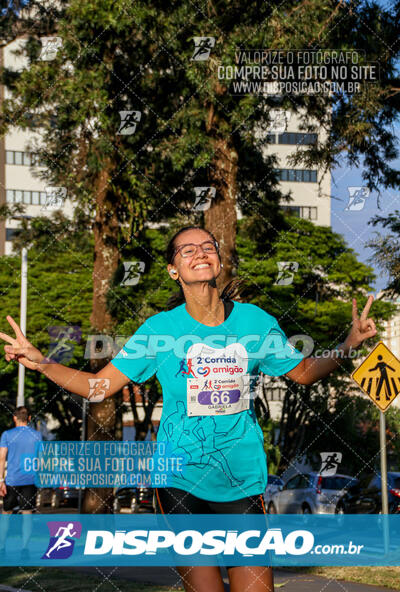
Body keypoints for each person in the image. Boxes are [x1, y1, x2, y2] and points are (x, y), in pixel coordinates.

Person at [0, 226, 377, 591]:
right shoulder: (158, 330)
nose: (201, 253)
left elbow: (306, 372)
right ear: (173, 270)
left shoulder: (255, 323)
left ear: (219, 259)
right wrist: (44, 363)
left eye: (208, 246)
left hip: (241, 482)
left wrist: (349, 343)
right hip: (179, 484)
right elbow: (99, 388)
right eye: (188, 250)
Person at [0, 406, 43, 557]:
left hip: (12, 480)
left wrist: (1, 480)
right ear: (29, 418)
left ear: (14, 418)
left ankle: (2, 548)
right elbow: (41, 459)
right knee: (27, 515)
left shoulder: (7, 435)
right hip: (30, 480)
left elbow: (2, 457)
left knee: (6, 513)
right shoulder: (37, 435)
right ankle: (25, 549)